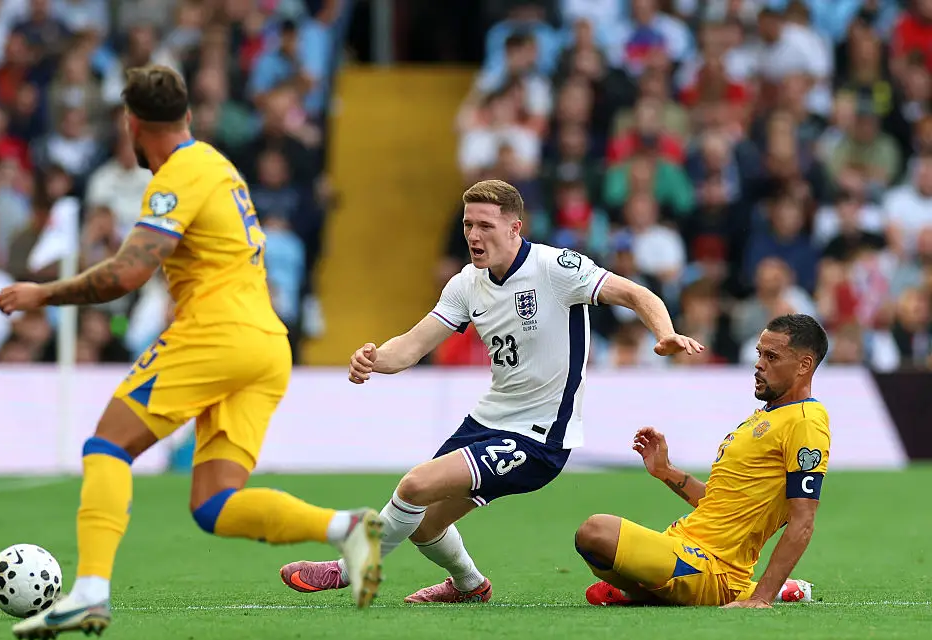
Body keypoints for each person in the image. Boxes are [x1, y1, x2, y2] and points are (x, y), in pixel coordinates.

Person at [0, 66, 382, 640]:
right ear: (189, 117)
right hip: (266, 345)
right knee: (214, 504)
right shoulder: (220, 166)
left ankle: (90, 593)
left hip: (217, 335)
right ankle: (347, 527)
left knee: (107, 445)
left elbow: (128, 272)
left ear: (132, 125)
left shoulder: (178, 175)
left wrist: (44, 293)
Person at [279, 179, 704, 603]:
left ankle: (350, 565)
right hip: (488, 420)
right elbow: (412, 345)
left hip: (540, 437)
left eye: (484, 225)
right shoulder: (467, 283)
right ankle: (470, 585)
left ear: (515, 228)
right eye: (467, 225)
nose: (473, 236)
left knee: (414, 486)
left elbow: (635, 292)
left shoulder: (556, 268)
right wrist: (375, 359)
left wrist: (665, 333)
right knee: (424, 524)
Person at [573, 314, 829, 608]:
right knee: (597, 556)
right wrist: (666, 472)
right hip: (683, 543)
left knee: (594, 531)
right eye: (759, 354)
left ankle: (750, 591)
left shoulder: (806, 422)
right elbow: (718, 503)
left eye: (771, 356)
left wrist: (761, 599)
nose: (759, 364)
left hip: (714, 566)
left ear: (804, 365)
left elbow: (803, 519)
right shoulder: (765, 416)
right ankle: (654, 591)